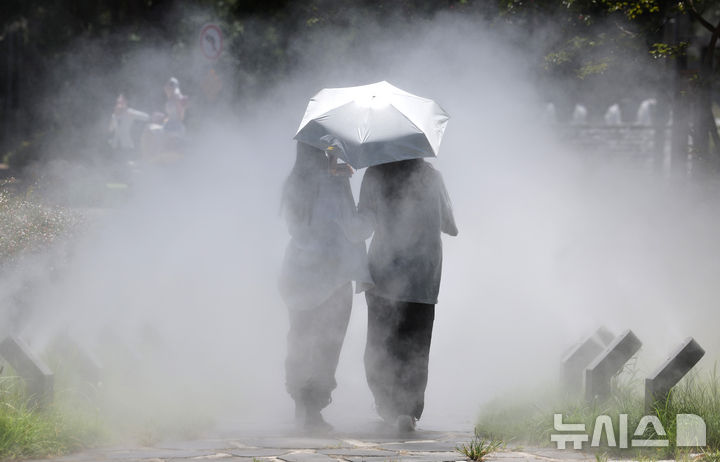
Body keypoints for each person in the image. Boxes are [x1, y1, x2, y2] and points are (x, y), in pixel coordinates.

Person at [357, 158, 458, 432]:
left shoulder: (374, 173)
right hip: (423, 275)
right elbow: (450, 226)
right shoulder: (432, 176)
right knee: (416, 342)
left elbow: (363, 227)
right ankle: (408, 411)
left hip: (382, 272)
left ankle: (388, 405)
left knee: (381, 340)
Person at [279, 142, 373, 432]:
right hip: (333, 275)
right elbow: (352, 228)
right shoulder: (335, 180)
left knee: (300, 337)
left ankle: (301, 405)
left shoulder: (293, 182)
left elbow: (296, 227)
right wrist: (370, 213)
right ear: (325, 150)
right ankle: (312, 409)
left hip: (298, 272)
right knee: (326, 343)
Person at [108, 94, 150, 158]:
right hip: (115, 145)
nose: (119, 104)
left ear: (126, 102)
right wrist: (113, 117)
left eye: (121, 102)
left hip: (126, 145)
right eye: (118, 102)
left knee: (125, 163)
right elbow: (110, 129)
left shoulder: (130, 112)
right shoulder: (114, 115)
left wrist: (131, 114)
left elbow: (146, 117)